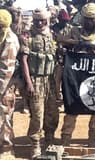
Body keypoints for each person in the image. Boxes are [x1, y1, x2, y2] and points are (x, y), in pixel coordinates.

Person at [60, 2, 95, 147]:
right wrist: (79, 44)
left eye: (91, 19)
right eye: (86, 19)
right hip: (77, 78)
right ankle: (65, 140)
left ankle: (92, 141)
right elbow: (61, 42)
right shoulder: (74, 32)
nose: (88, 22)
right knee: (72, 109)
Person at [20, 8, 58, 158]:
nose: (39, 23)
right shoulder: (27, 36)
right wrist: (28, 82)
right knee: (37, 115)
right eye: (37, 20)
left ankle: (49, 142)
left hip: (50, 80)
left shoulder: (51, 35)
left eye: (42, 20)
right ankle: (35, 146)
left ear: (47, 21)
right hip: (35, 80)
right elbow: (24, 60)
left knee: (52, 113)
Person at [0, 9, 19, 159]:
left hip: (4, 86)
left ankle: (7, 148)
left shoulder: (10, 40)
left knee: (5, 117)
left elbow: (6, 69)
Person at [51, 9, 72, 101]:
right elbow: (51, 43)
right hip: (56, 57)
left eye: (66, 21)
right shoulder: (53, 29)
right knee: (57, 79)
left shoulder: (70, 29)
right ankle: (58, 96)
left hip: (68, 57)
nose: (65, 23)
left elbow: (73, 41)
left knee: (68, 78)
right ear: (59, 20)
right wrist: (57, 48)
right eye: (63, 21)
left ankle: (66, 95)